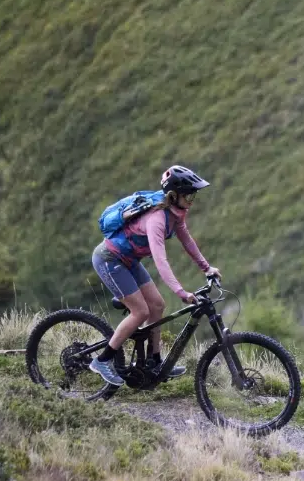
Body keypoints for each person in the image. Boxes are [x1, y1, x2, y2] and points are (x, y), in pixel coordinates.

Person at [89, 165, 221, 386]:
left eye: (194, 195)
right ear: (173, 195)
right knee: (140, 311)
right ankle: (103, 360)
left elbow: (186, 240)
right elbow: (161, 261)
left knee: (157, 305)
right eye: (188, 195)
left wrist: (206, 268)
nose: (192, 200)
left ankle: (153, 362)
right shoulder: (157, 219)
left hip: (128, 261)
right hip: (109, 259)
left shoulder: (176, 214)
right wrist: (180, 292)